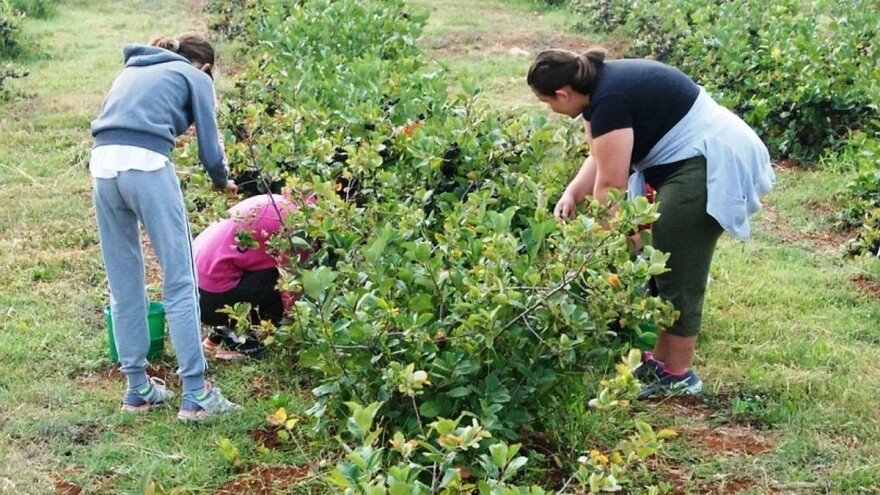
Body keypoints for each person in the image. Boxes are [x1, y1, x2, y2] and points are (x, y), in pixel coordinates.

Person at [527, 47, 775, 398]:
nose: (549, 110)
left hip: (705, 160)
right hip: (688, 159)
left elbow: (611, 188)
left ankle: (677, 373)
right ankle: (660, 361)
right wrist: (572, 192)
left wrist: (596, 247)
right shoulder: (596, 91)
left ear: (562, 94)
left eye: (546, 103)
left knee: (676, 262)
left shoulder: (608, 98)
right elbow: (602, 155)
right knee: (664, 260)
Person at [90, 32, 243, 420]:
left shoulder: (132, 69)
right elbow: (211, 151)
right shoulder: (197, 78)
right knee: (179, 278)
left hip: (103, 166)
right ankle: (196, 393)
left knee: (123, 279)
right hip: (147, 166)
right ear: (205, 66)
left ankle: (137, 389)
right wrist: (221, 180)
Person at [193, 193, 309, 360]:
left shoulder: (274, 201)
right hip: (210, 299)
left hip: (191, 290)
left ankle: (221, 331)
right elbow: (290, 288)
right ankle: (245, 343)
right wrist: (297, 328)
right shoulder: (295, 224)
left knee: (253, 262)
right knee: (285, 278)